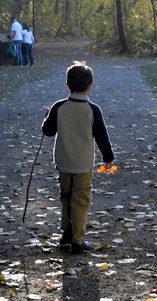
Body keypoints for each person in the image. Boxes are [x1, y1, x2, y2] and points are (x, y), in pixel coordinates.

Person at [41, 62, 115, 255]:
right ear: (89, 87)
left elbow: (47, 131)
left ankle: (66, 231)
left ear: (67, 86)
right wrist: (108, 157)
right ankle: (77, 239)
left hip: (63, 162)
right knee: (81, 201)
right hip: (83, 164)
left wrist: (47, 115)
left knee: (65, 197)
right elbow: (102, 136)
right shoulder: (93, 109)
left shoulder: (59, 107)